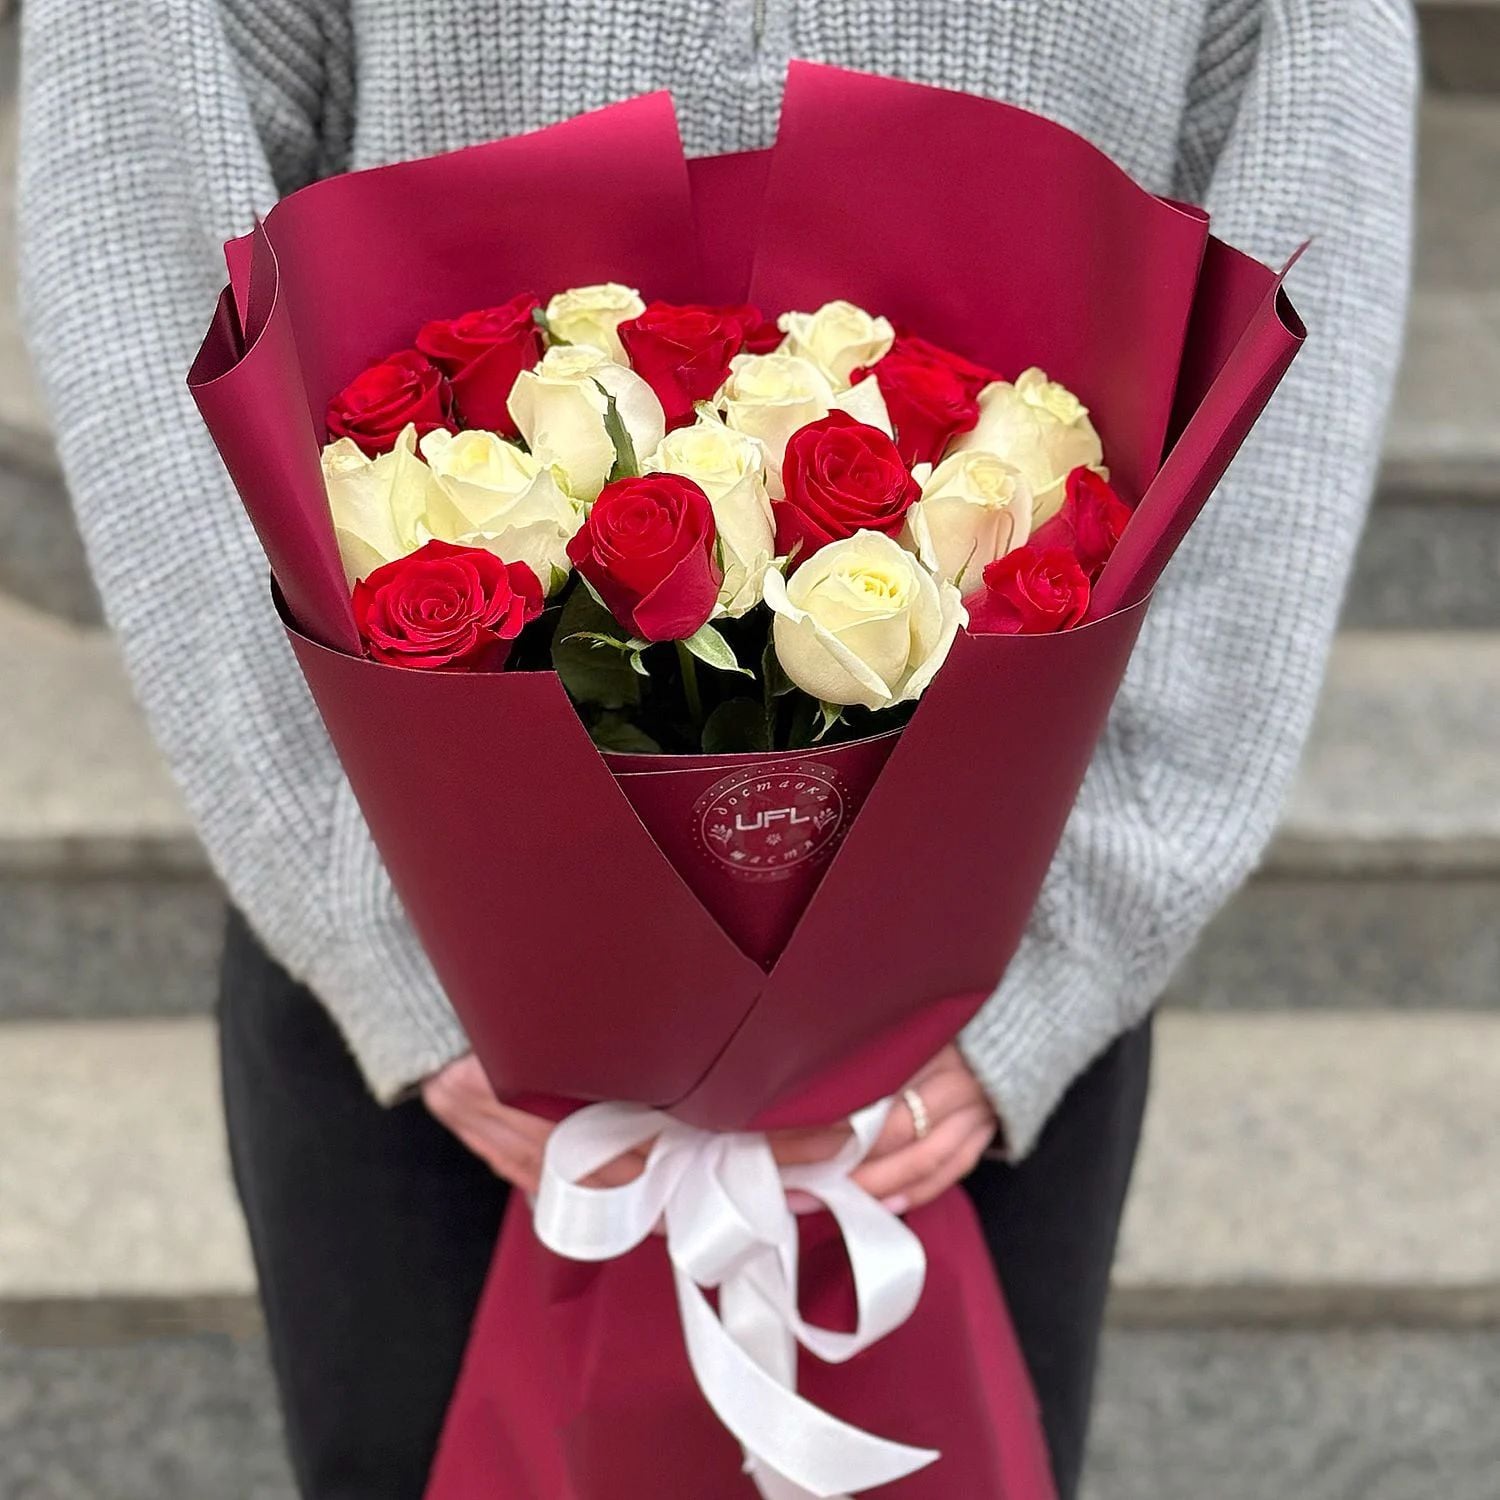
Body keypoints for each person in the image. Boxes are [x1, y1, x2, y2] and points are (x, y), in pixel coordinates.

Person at [17, 3, 1417, 1497]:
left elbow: (1295, 280)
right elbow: (141, 232)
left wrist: (1068, 936)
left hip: (972, 1002)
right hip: (433, 976)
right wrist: (382, 916)